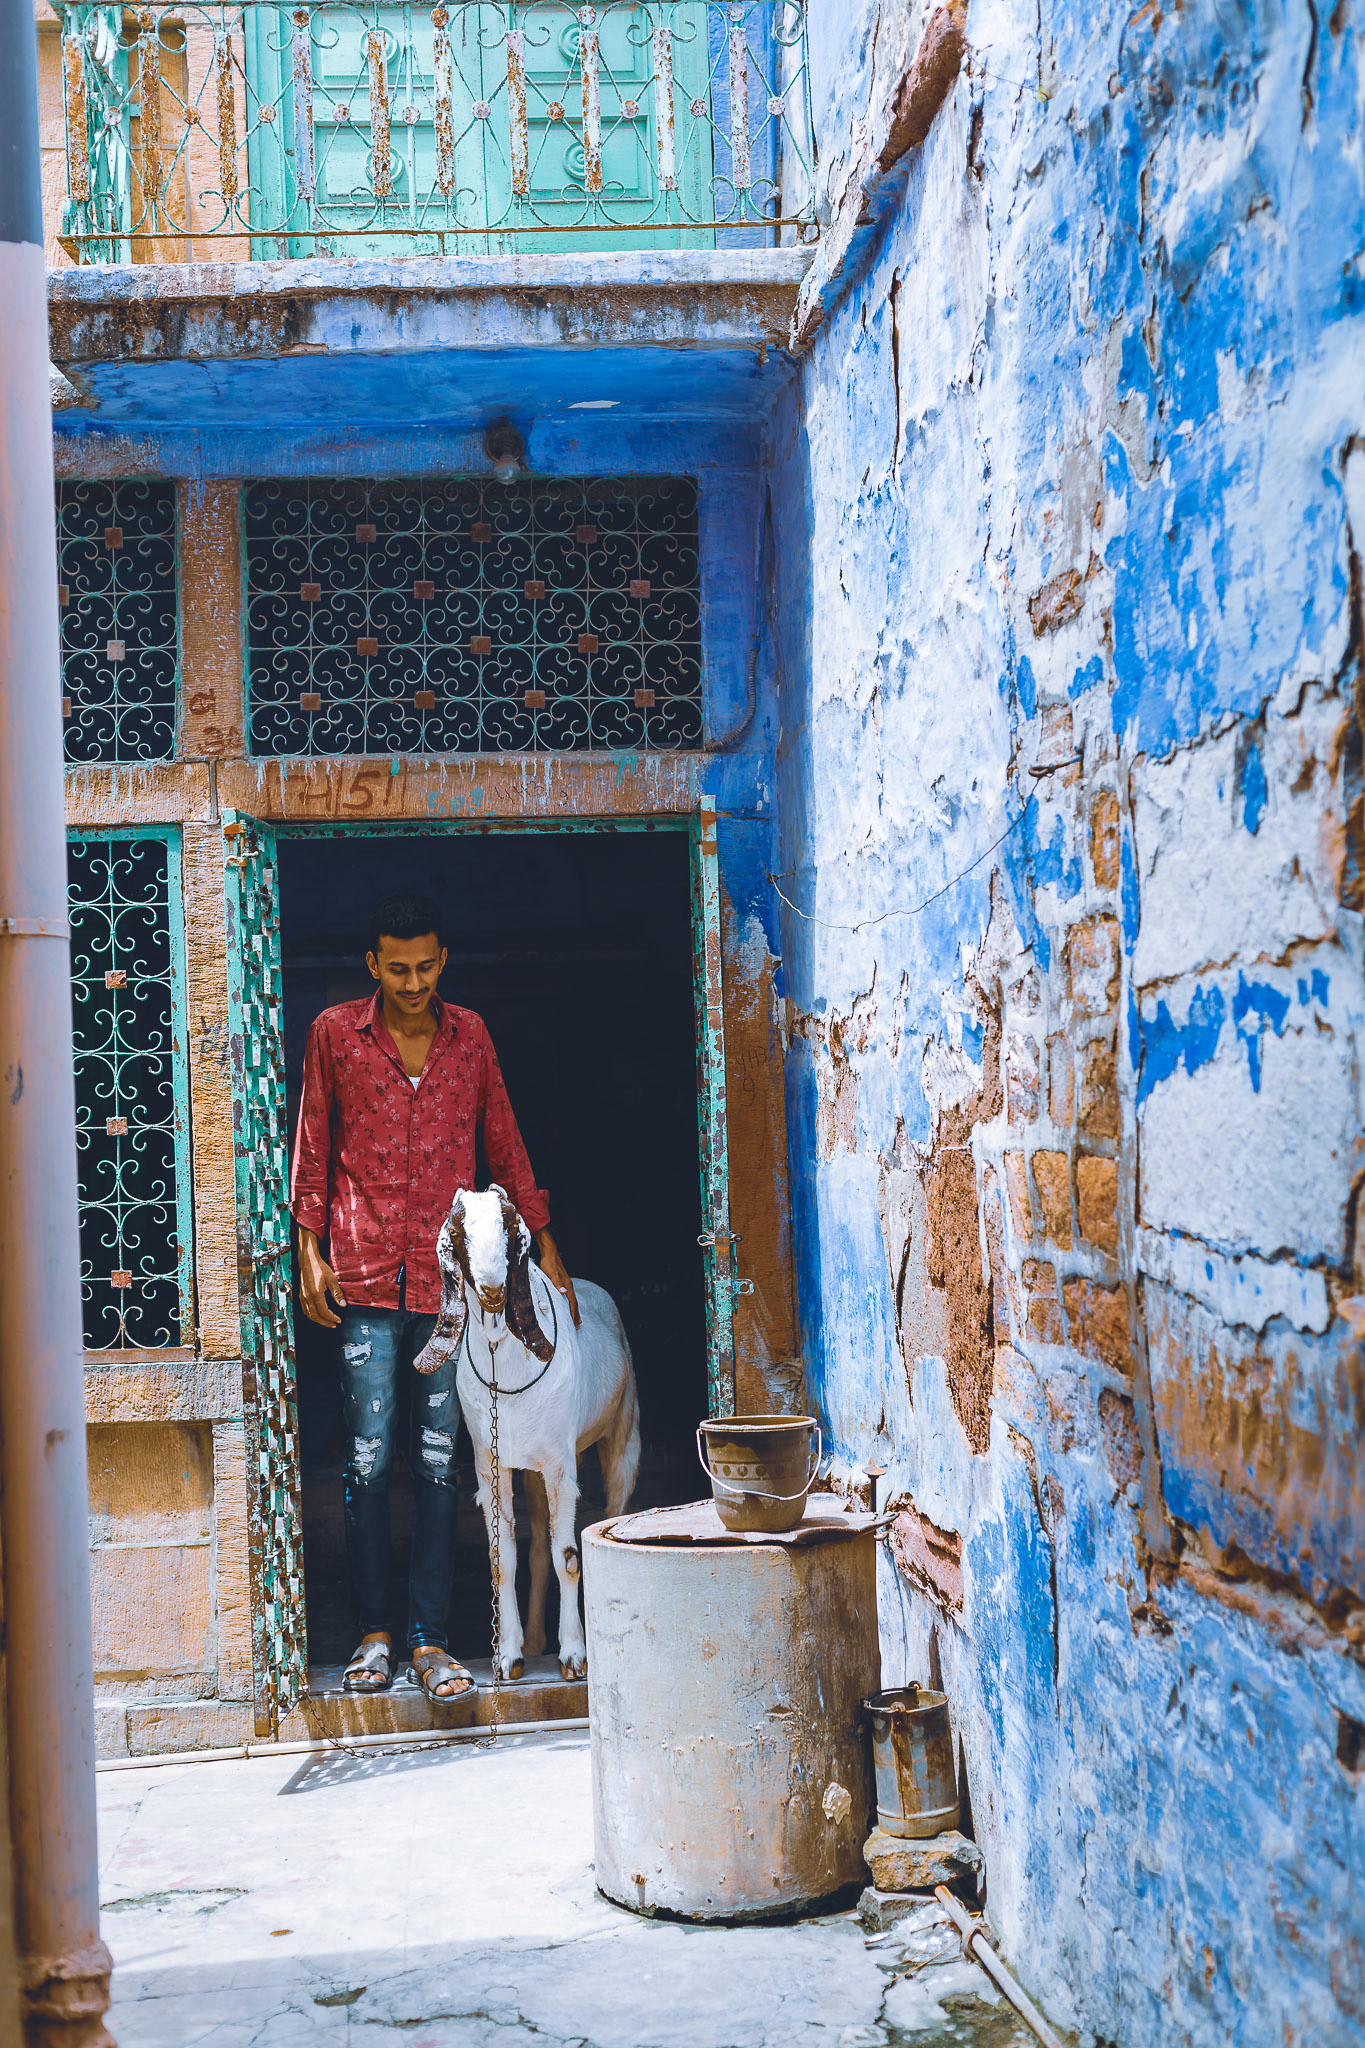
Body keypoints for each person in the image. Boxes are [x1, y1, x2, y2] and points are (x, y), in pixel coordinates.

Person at [290, 891, 579, 1701]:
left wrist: (544, 1237)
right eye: (398, 967)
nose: (413, 981)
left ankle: (429, 1639)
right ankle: (373, 1633)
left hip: (454, 1288)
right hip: (365, 1279)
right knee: (367, 1460)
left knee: (441, 1462)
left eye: (426, 966)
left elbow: (503, 1139)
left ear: (441, 961)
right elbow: (312, 1140)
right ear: (373, 965)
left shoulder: (471, 1036)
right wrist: (306, 1251)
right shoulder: (334, 1036)